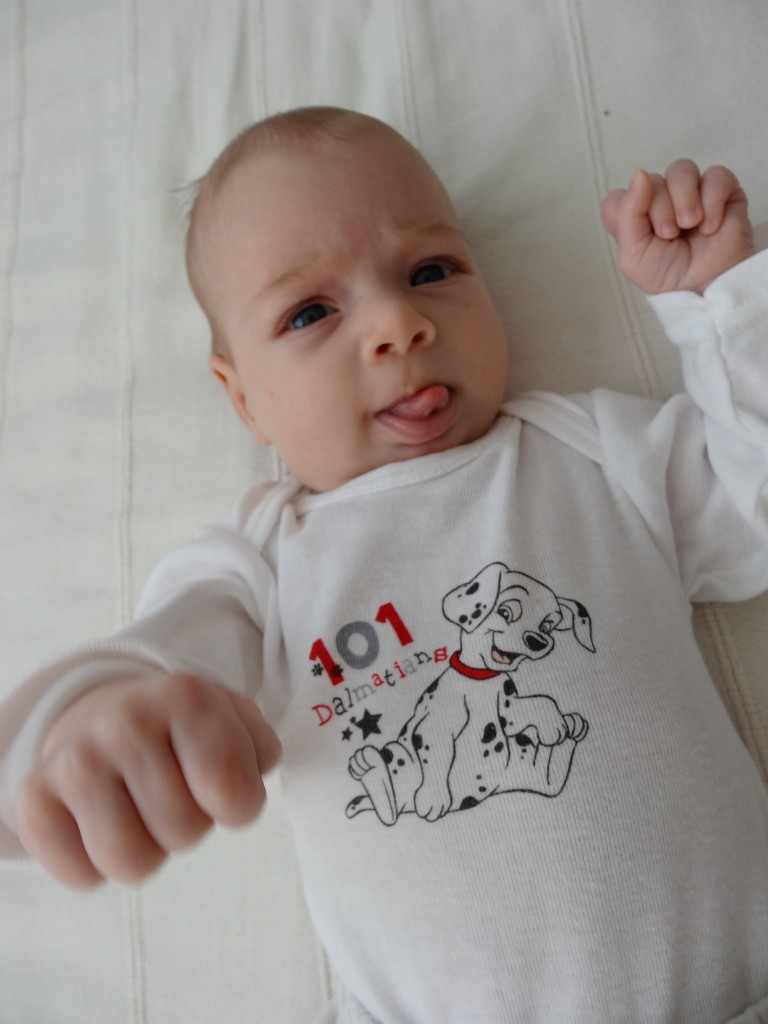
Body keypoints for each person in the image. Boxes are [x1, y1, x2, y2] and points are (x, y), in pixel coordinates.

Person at [1, 106, 767, 1023]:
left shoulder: (596, 452)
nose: (400, 323)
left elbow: (752, 502)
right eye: (310, 312)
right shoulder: (262, 563)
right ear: (244, 400)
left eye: (430, 271)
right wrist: (85, 720)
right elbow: (160, 662)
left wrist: (723, 304)